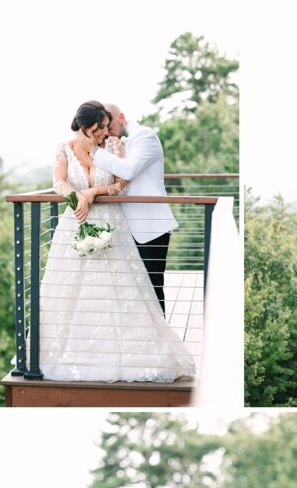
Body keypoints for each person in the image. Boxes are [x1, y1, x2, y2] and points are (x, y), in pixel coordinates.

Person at [38, 101, 195, 383]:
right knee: (70, 289)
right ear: (84, 126)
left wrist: (93, 192)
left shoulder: (114, 145)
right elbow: (58, 182)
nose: (104, 133)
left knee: (125, 286)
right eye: (99, 128)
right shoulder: (63, 148)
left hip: (112, 219)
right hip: (76, 218)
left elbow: (122, 181)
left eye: (106, 127)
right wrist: (76, 197)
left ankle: (141, 349)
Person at [93, 103, 178, 313]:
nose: (106, 130)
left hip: (150, 226)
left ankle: (161, 341)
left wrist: (92, 150)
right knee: (131, 290)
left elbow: (129, 170)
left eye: (109, 123)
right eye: (101, 126)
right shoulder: (111, 143)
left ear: (121, 116)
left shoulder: (144, 136)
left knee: (152, 287)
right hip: (123, 227)